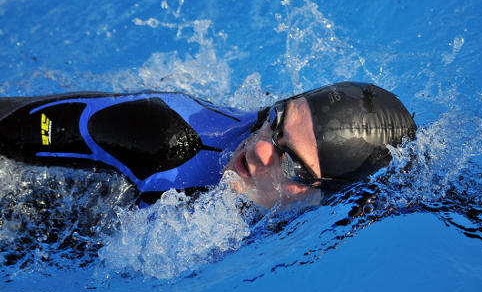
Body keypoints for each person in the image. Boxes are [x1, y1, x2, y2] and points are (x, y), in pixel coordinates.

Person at [0, 82, 417, 208]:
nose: (259, 151)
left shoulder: (346, 209)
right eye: (276, 122)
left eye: (292, 165)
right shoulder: (159, 135)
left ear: (327, 196)